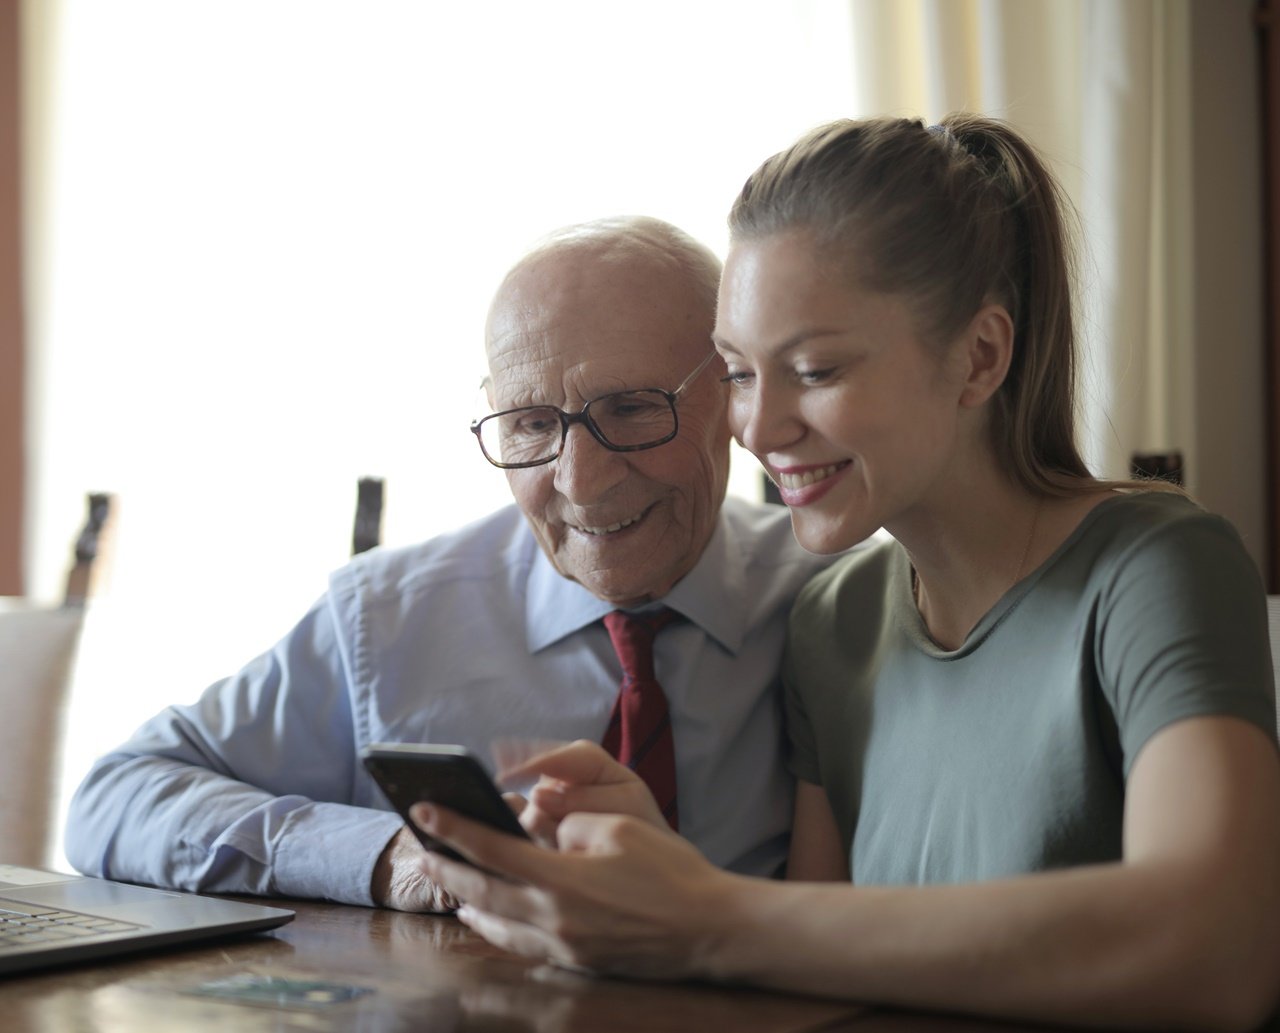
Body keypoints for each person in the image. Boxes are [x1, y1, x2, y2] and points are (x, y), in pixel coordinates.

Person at [405, 116, 1280, 1031]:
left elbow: (1219, 952)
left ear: (980, 355)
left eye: (814, 369)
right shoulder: (835, 619)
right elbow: (809, 972)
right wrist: (658, 875)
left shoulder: (1153, 567)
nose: (760, 426)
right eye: (740, 373)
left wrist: (699, 911)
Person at [64, 216, 834, 910]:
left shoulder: (841, 608)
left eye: (631, 408)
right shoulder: (388, 618)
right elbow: (114, 797)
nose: (579, 479)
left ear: (734, 394)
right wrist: (385, 855)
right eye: (532, 424)